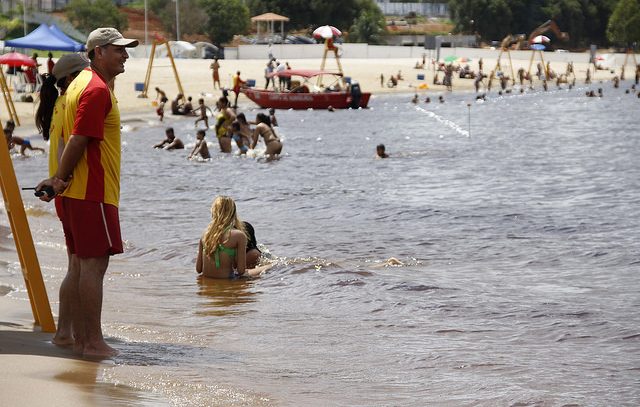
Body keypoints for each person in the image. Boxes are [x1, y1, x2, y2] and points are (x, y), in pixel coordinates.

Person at [35, 27, 138, 358]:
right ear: (98, 53)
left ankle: (76, 337)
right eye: (118, 50)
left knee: (80, 267)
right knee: (93, 267)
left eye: (126, 49)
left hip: (77, 193)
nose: (125, 55)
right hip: (92, 192)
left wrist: (57, 180)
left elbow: (70, 139)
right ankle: (91, 342)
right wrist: (60, 178)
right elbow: (79, 139)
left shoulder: (79, 86)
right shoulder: (94, 89)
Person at [34, 53, 90, 347]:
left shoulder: (56, 106)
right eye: (84, 73)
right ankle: (79, 335)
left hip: (62, 196)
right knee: (81, 268)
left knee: (74, 267)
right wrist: (60, 180)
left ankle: (64, 332)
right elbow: (75, 145)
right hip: (73, 191)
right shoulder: (71, 104)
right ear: (70, 79)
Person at [196, 196, 265, 279]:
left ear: (213, 212)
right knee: (270, 266)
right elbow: (241, 271)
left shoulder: (205, 234)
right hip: (227, 280)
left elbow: (199, 269)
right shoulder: (239, 235)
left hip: (206, 283)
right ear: (233, 213)